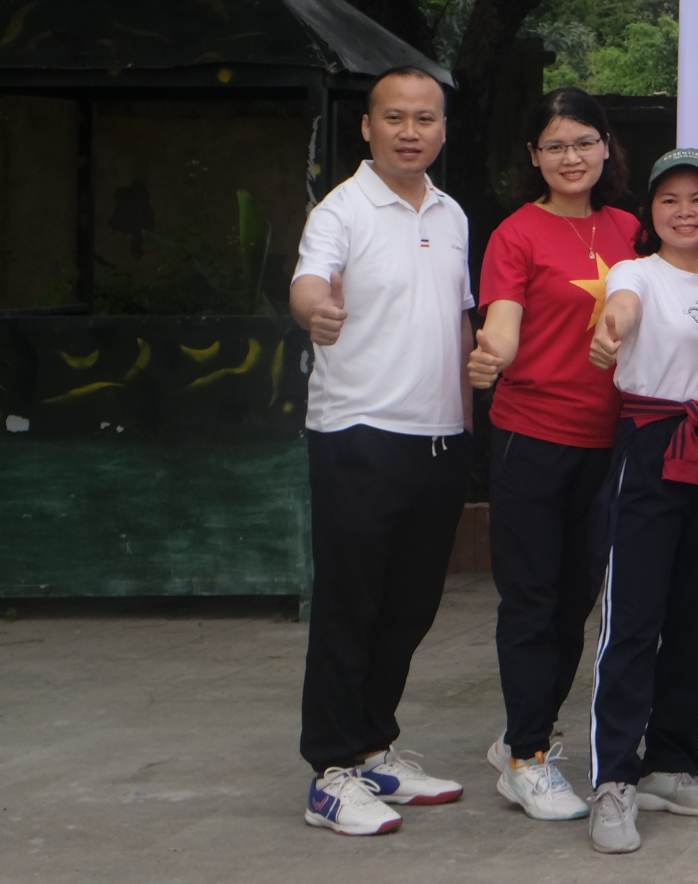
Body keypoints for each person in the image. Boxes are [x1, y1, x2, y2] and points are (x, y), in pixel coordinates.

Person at [287, 65, 473, 835]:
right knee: (350, 606)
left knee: (409, 607)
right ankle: (330, 773)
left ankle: (372, 749)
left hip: (439, 438)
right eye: (394, 117)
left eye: (425, 118)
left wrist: (469, 423)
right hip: (359, 433)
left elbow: (461, 320)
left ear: (442, 128)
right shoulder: (341, 209)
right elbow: (309, 283)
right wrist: (316, 312)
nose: (409, 131)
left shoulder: (453, 213)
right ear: (367, 127)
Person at [467, 87, 638, 821]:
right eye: (556, 146)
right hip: (531, 439)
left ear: (606, 147)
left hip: (610, 443)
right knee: (532, 601)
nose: (572, 158)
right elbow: (502, 321)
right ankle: (528, 759)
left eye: (584, 142)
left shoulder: (632, 228)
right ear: (534, 156)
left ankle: (523, 734)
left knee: (574, 603)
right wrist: (493, 354)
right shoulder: (516, 233)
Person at [579, 149, 698, 854]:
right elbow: (621, 307)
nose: (685, 211)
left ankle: (669, 763)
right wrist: (610, 327)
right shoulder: (635, 272)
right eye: (669, 199)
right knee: (633, 618)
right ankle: (614, 780)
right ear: (650, 211)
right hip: (652, 447)